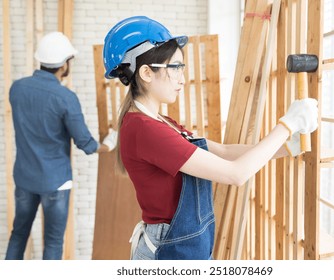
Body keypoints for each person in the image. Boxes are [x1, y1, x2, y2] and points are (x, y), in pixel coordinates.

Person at [102, 16, 318, 260]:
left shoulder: (161, 122)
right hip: (169, 251)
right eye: (175, 68)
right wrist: (287, 125)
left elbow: (223, 152)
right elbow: (235, 173)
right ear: (146, 73)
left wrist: (285, 147)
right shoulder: (145, 130)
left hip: (184, 246)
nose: (182, 78)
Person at [5, 31, 117, 260]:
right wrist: (109, 144)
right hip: (55, 181)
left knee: (18, 234)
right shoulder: (65, 97)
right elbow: (86, 144)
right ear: (64, 64)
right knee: (54, 242)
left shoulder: (17, 88)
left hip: (25, 177)